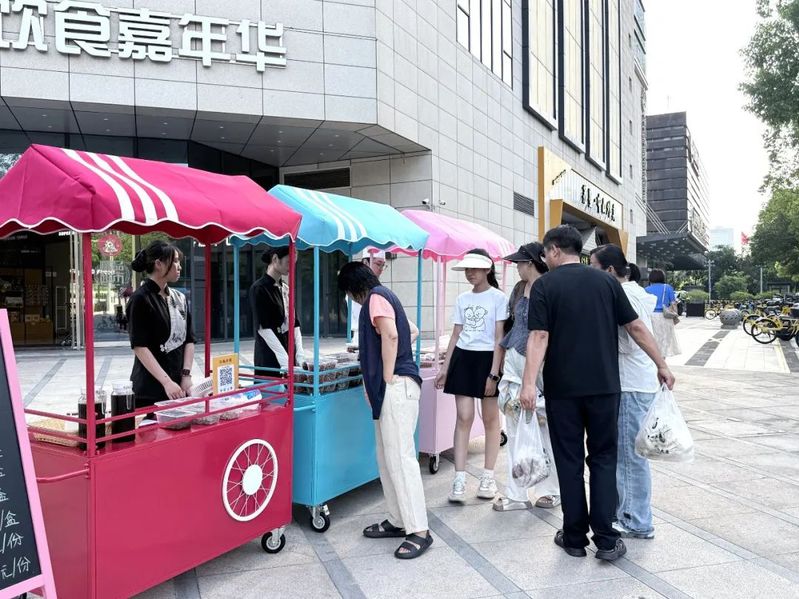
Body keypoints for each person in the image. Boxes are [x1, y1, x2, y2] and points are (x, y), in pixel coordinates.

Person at [519, 225, 675, 562]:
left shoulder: (545, 285)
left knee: (569, 461)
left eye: (546, 252)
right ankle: (606, 539)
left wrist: (528, 383)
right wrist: (661, 364)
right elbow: (635, 326)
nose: (545, 258)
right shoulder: (607, 282)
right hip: (604, 388)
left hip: (563, 389)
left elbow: (539, 336)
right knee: (604, 458)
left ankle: (574, 537)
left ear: (555, 250)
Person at [337, 261, 432, 560]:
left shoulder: (376, 298)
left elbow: (391, 335)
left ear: (353, 289)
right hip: (392, 389)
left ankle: (419, 530)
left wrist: (387, 374)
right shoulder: (385, 296)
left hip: (396, 387)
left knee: (401, 460)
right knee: (387, 458)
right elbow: (411, 331)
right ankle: (398, 519)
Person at [590, 245, 659, 540]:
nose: (589, 271)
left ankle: (635, 520)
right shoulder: (634, 293)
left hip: (630, 384)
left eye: (593, 266)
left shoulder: (625, 295)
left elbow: (630, 342)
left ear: (609, 270)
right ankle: (626, 513)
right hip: (635, 383)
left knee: (630, 457)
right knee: (627, 454)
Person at [435, 249, 507, 503]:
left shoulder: (499, 298)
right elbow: (456, 334)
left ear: (487, 269)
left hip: (488, 360)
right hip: (463, 359)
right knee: (464, 417)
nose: (470, 273)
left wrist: (494, 373)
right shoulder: (462, 299)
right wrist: (445, 368)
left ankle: (488, 478)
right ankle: (459, 479)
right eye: (467, 268)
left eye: (475, 268)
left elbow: (499, 338)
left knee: (490, 419)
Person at [494, 243, 561, 512]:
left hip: (541, 365)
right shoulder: (519, 289)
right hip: (514, 361)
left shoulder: (551, 287)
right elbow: (512, 323)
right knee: (514, 424)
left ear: (531, 262)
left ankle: (551, 489)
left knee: (544, 426)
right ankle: (517, 491)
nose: (517, 267)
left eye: (520, 263)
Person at [127, 240, 195, 410]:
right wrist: (166, 382)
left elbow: (189, 339)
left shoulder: (179, 298)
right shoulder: (140, 299)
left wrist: (186, 375)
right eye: (175, 261)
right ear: (159, 264)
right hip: (150, 389)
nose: (179, 266)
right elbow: (139, 346)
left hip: (179, 386)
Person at [249, 247, 306, 378]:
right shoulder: (259, 289)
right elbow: (263, 328)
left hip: (289, 353)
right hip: (269, 356)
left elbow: (294, 323)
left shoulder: (285, 287)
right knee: (272, 389)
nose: (291, 267)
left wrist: (299, 353)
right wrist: (284, 359)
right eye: (288, 262)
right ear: (275, 259)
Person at [350, 250, 387, 338]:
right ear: (366, 263)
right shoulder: (358, 285)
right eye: (378, 264)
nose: (381, 269)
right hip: (364, 334)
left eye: (383, 265)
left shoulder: (374, 286)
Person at [645, 269, 681, 358]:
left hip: (651, 317)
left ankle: (654, 361)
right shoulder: (667, 288)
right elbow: (673, 304)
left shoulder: (646, 289)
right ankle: (662, 361)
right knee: (664, 342)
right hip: (665, 317)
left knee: (652, 341)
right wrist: (675, 316)